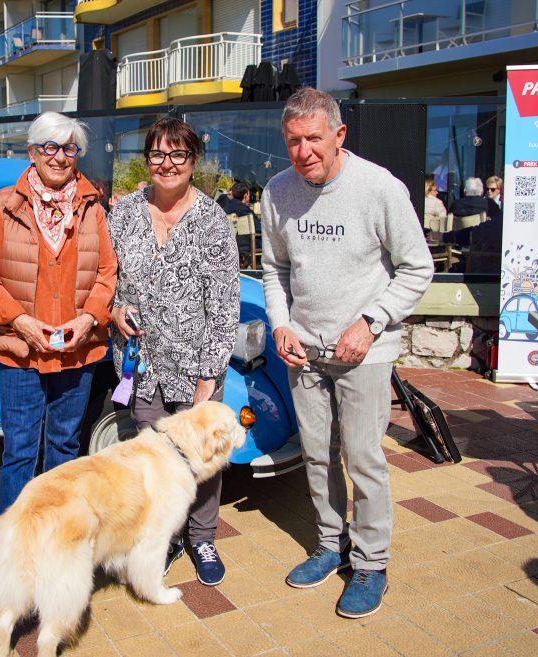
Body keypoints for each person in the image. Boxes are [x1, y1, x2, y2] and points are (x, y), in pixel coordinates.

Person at [260, 87, 433, 618]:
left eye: (314, 138)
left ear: (339, 135)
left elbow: (417, 268)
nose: (304, 150)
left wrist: (371, 320)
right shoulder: (276, 191)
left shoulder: (379, 188)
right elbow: (275, 270)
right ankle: (331, 546)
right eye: (293, 140)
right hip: (305, 353)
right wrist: (281, 324)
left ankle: (371, 563)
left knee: (363, 458)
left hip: (366, 351)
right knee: (316, 454)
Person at [0, 111, 117, 599]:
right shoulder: (5, 205)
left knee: (64, 454)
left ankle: (57, 553)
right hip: (21, 354)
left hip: (77, 353)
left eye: (69, 148)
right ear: (32, 152)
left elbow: (106, 276)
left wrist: (89, 319)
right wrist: (21, 321)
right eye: (50, 148)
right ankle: (3, 559)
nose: (60, 157)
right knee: (18, 456)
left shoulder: (93, 205)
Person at [107, 117, 240, 586]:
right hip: (141, 365)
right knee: (153, 459)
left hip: (195, 365)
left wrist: (210, 374)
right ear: (147, 161)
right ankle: (161, 537)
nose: (167, 164)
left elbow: (225, 305)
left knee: (202, 457)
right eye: (158, 155)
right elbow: (104, 277)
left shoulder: (212, 221)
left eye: (177, 155)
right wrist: (114, 307)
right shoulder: (122, 214)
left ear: (192, 161)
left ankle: (202, 537)